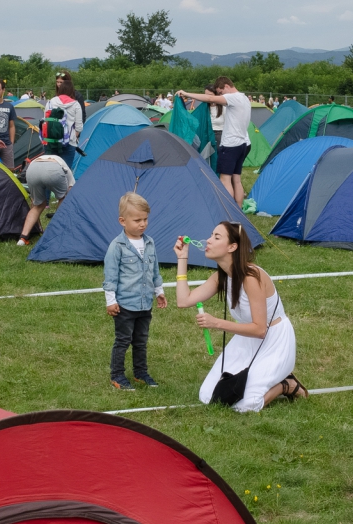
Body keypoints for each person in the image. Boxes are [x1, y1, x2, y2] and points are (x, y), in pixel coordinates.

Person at [174, 221, 306, 412]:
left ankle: (287, 385)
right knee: (208, 396)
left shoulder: (251, 277)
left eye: (216, 237)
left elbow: (260, 330)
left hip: (273, 340)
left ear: (232, 247)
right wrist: (182, 258)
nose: (208, 240)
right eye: (211, 235)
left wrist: (217, 323)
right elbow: (183, 301)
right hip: (245, 339)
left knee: (246, 405)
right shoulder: (221, 276)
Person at [103, 193, 167, 390]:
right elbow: (110, 276)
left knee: (141, 341)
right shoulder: (117, 246)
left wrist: (159, 291)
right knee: (123, 341)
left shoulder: (150, 243)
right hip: (125, 306)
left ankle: (140, 373)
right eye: (137, 220)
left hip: (145, 304)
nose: (143, 224)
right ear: (122, 221)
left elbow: (154, 270)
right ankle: (117, 375)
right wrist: (110, 301)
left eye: (145, 219)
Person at [176, 76, 251, 209]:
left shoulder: (233, 97)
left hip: (230, 145)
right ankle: (239, 210)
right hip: (243, 144)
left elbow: (210, 99)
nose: (221, 96)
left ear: (226, 86)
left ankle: (229, 211)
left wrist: (186, 93)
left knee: (225, 179)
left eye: (221, 92)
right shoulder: (244, 98)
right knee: (236, 180)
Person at [16, 147, 76, 246]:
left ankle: (23, 238)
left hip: (32, 169)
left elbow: (33, 201)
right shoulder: (67, 169)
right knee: (63, 198)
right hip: (53, 170)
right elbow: (70, 190)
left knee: (37, 206)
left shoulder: (48, 157)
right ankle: (56, 232)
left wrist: (39, 227)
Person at [47, 75, 84, 167]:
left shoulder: (51, 102)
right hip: (69, 142)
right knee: (66, 170)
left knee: (50, 169)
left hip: (51, 140)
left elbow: (46, 120)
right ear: (72, 91)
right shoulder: (75, 104)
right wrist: (73, 137)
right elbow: (79, 126)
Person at [0, 79, 17, 169]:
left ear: (3, 90)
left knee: (10, 170)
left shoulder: (9, 106)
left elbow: (12, 126)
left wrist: (11, 143)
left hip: (6, 143)